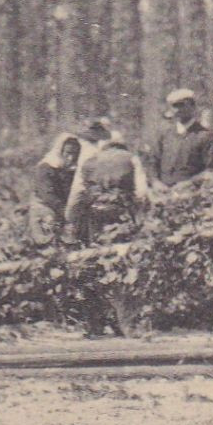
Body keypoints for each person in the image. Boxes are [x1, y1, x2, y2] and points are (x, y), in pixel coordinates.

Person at [63, 135, 152, 336]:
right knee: (125, 267)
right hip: (121, 216)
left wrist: (72, 223)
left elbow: (75, 198)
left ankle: (95, 322)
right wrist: (141, 216)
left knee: (96, 263)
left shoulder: (89, 162)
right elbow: (142, 193)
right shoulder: (131, 158)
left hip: (95, 218)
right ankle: (127, 323)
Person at [150, 89, 213, 187]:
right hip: (163, 193)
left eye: (182, 105)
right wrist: (155, 182)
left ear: (193, 107)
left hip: (190, 194)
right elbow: (153, 161)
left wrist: (190, 183)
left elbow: (212, 169)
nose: (178, 110)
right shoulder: (165, 134)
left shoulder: (205, 136)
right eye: (174, 106)